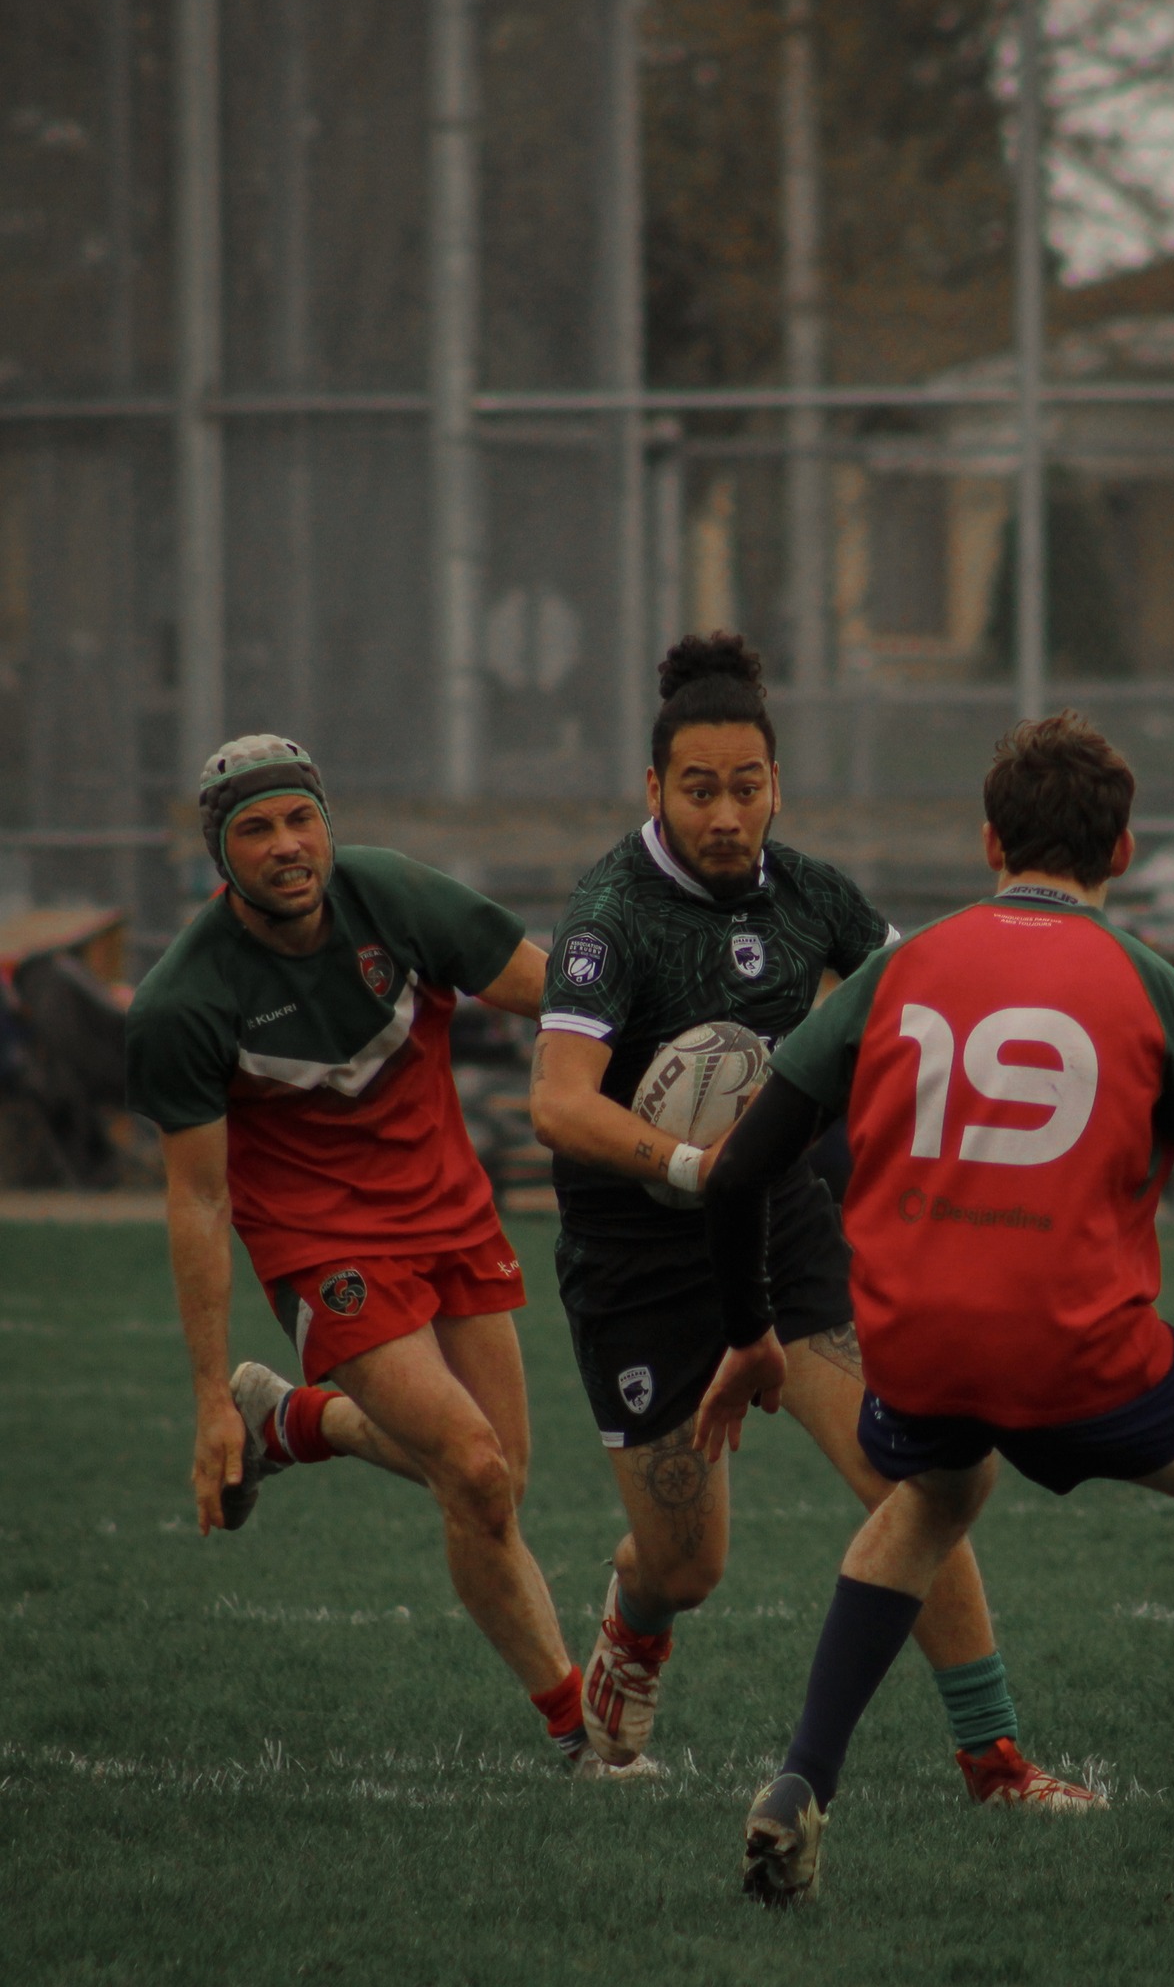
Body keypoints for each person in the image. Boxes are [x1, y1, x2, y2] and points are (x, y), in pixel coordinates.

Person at [696, 710, 1174, 1925]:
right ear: (1121, 852)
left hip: (913, 1343)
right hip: (1079, 1349)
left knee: (930, 1495)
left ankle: (800, 1778)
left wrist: (751, 1327)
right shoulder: (1150, 980)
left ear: (986, 839)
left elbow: (744, 1167)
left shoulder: (901, 967)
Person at [529, 636, 1095, 1811]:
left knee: (920, 1476)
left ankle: (992, 1761)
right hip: (638, 1261)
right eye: (698, 789)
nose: (725, 813)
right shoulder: (608, 916)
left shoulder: (811, 894)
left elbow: (918, 999)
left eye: (746, 785)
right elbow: (555, 1102)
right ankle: (634, 1623)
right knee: (690, 1564)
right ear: (653, 791)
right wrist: (699, 1162)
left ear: (776, 782)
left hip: (786, 1231)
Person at [125, 733, 635, 1777]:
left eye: (299, 818)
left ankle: (295, 1418)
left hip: (452, 1214)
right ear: (221, 854)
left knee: (501, 1477)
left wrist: (686, 1040)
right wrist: (206, 1396)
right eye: (254, 829)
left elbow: (559, 997)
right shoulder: (186, 1000)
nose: (285, 845)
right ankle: (578, 1735)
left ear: (327, 821)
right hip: (323, 1248)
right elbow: (196, 1200)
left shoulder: (394, 898)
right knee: (473, 1466)